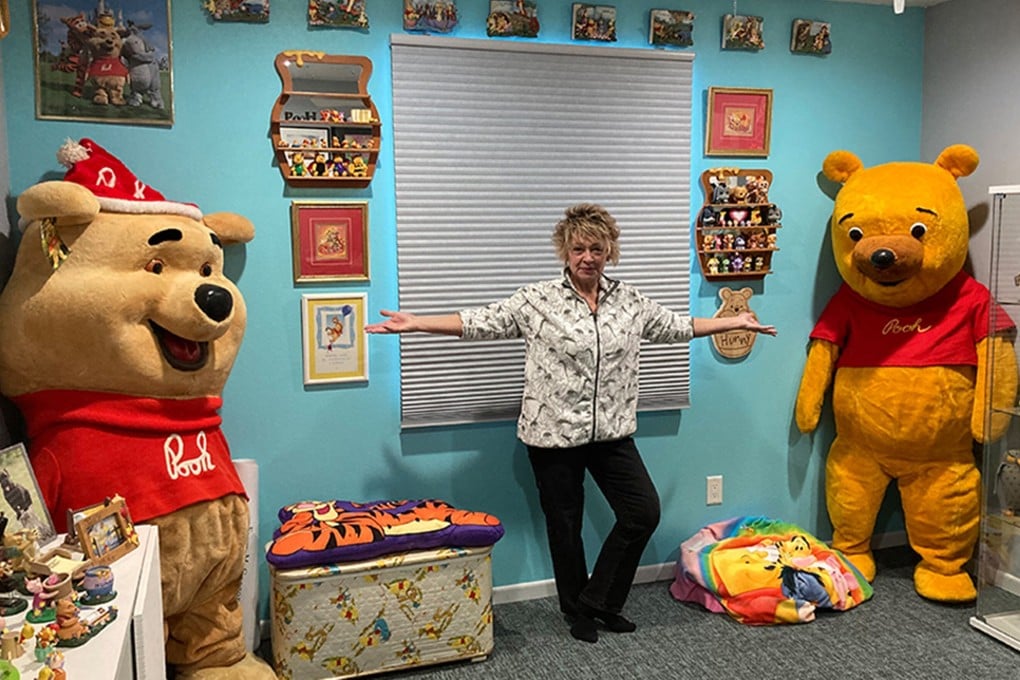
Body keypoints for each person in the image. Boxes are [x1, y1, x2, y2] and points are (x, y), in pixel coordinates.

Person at [366, 203, 776, 643]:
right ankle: (575, 610)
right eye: (579, 248)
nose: (587, 257)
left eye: (596, 248)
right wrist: (418, 323)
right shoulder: (538, 300)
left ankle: (598, 601)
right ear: (565, 250)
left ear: (609, 251)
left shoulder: (629, 300)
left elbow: (674, 326)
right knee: (565, 527)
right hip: (552, 434)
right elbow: (480, 322)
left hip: (611, 433)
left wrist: (731, 320)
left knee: (642, 512)